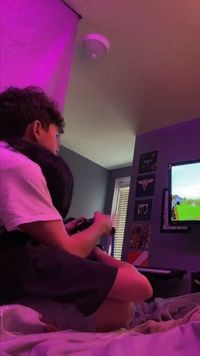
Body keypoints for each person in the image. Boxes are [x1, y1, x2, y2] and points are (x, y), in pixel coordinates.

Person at [0, 86, 153, 331]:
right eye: (56, 135)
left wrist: (61, 230)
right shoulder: (19, 165)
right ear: (37, 129)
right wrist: (100, 227)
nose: (58, 146)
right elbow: (67, 249)